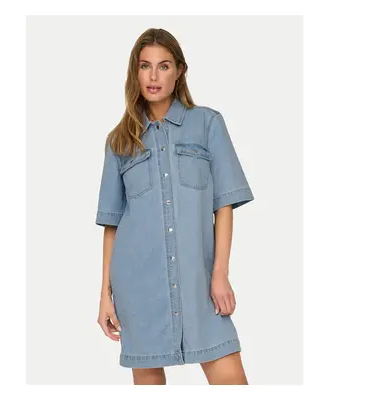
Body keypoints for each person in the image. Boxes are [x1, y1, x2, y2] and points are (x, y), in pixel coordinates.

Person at [95, 28, 254, 385]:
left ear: (179, 71)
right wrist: (105, 295)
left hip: (199, 281)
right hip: (138, 286)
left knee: (231, 378)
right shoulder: (119, 141)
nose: (153, 76)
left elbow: (224, 205)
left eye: (164, 66)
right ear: (135, 72)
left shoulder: (208, 124)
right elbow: (113, 225)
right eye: (145, 66)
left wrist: (220, 273)